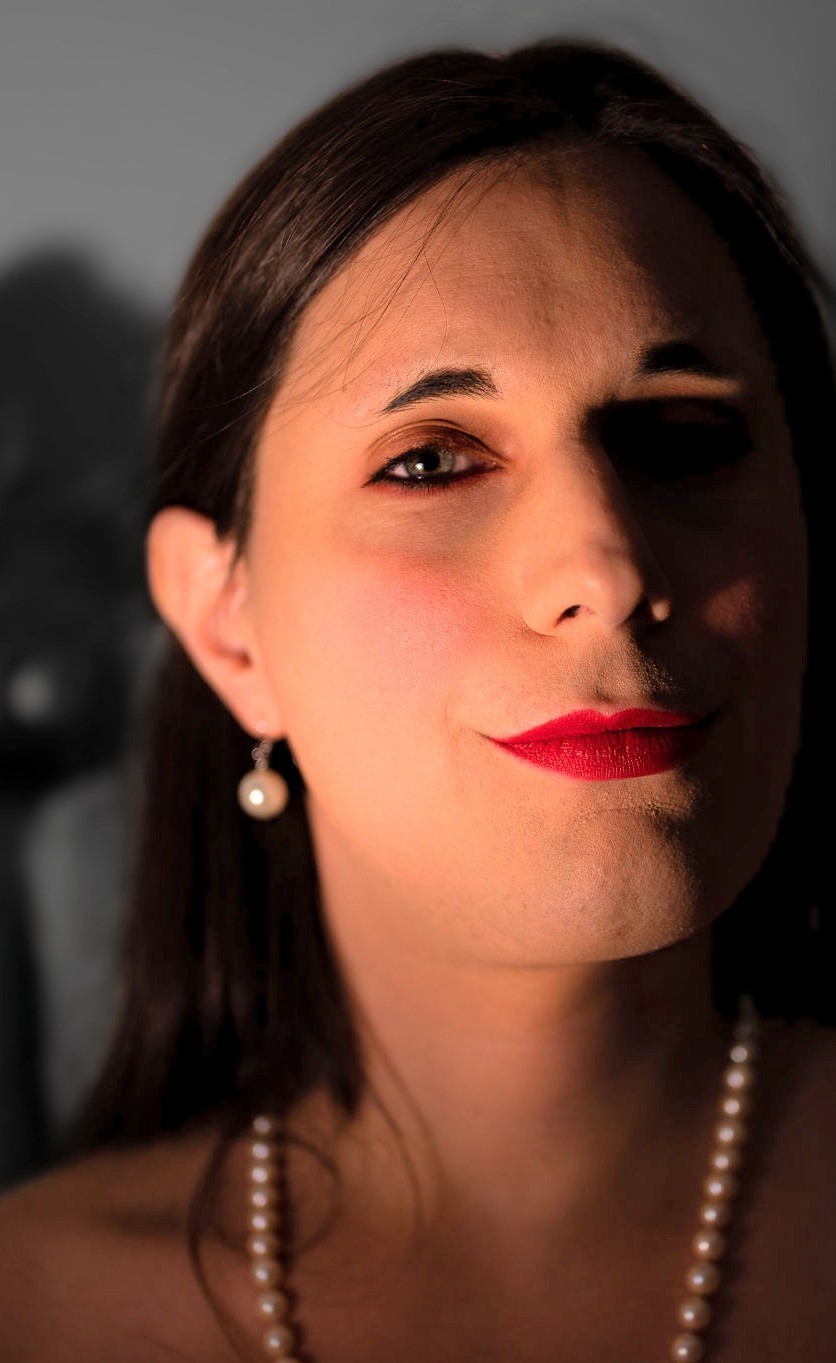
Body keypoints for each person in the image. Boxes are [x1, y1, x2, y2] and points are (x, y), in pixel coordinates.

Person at [0, 34, 834, 1363]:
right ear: (228, 622)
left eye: (683, 439)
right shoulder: (34, 1313)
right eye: (434, 461)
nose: (607, 570)